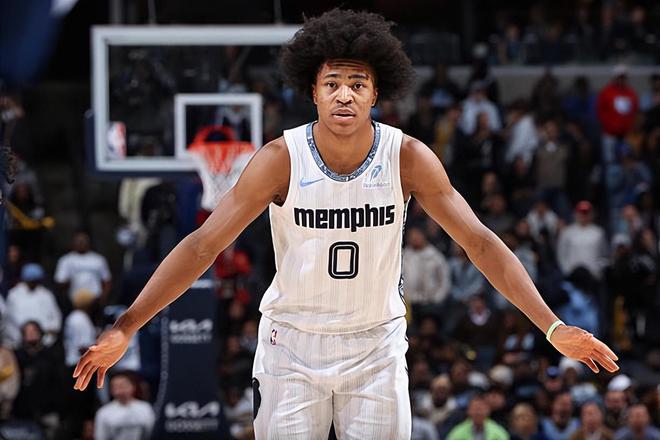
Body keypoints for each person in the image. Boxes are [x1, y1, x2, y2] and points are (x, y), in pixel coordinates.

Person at [73, 9, 619, 439]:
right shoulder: (280, 159)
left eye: (358, 84)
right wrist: (127, 325)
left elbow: (479, 243)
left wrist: (552, 327)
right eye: (332, 82)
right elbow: (202, 246)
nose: (344, 94)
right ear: (312, 90)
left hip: (376, 346)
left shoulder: (407, 157)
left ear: (376, 93)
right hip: (291, 346)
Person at [93, 372, 155, 440]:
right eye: (116, 386)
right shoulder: (103, 412)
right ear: (111, 390)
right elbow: (101, 436)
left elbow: (151, 432)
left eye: (123, 385)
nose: (121, 390)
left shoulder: (145, 408)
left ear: (133, 386)